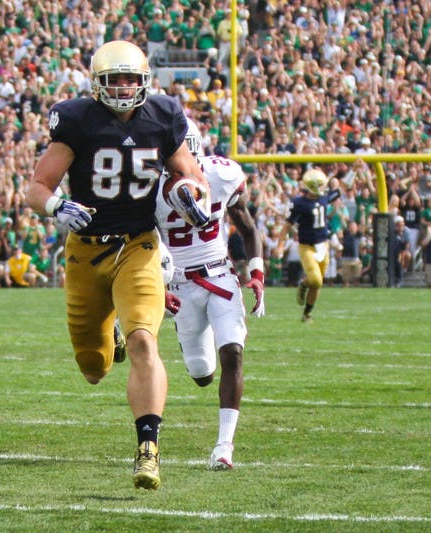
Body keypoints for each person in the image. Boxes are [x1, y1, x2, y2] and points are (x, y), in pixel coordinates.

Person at [25, 40, 208, 490]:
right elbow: (36, 187)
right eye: (116, 79)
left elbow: (192, 174)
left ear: (145, 80)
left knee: (146, 340)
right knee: (93, 369)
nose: (125, 88)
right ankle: (111, 333)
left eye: (132, 78)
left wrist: (190, 192)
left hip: (138, 245)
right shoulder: (78, 118)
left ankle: (148, 448)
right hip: (85, 250)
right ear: (97, 83)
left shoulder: (164, 115)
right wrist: (56, 207)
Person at [156, 119, 264, 471]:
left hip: (219, 273)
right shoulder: (148, 189)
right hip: (179, 284)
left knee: (233, 351)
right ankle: (188, 340)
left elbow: (247, 227)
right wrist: (158, 286)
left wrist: (257, 269)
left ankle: (223, 447)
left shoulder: (220, 175)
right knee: (202, 374)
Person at [276, 168, 339, 323]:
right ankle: (303, 283)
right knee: (315, 280)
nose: (324, 188)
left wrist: (354, 171)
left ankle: (307, 314)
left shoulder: (323, 198)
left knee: (317, 284)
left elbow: (338, 190)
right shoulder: (299, 204)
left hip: (323, 245)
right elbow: (287, 225)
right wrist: (279, 245)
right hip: (307, 246)